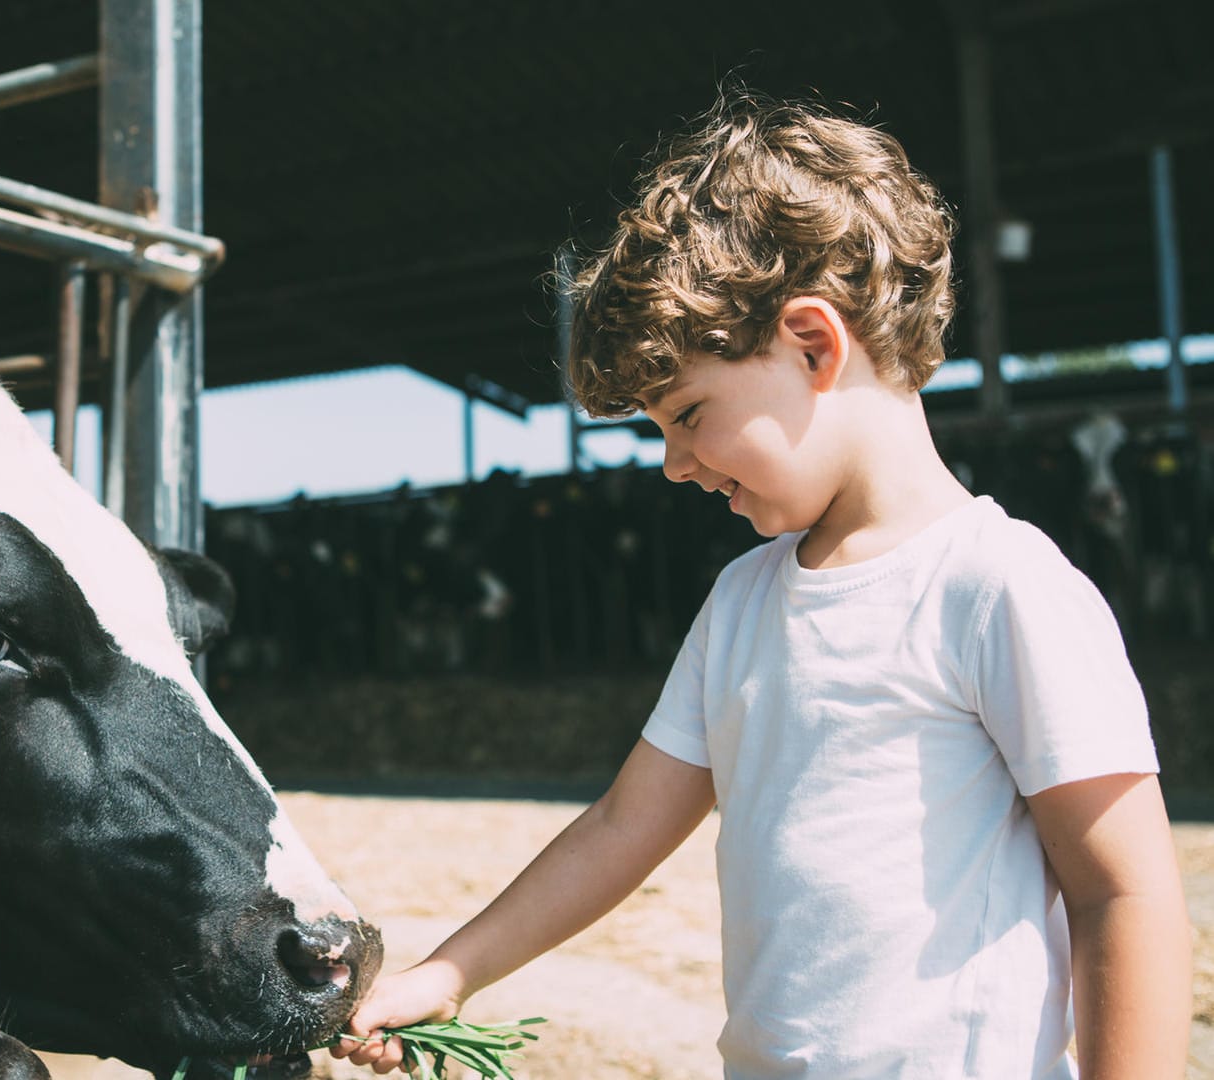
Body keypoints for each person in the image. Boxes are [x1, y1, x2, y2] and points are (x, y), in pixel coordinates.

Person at [330, 93, 1190, 1078]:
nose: (674, 463)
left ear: (815, 344)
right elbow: (623, 827)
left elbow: (1123, 893)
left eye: (689, 413)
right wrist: (450, 972)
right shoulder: (742, 602)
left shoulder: (996, 588)